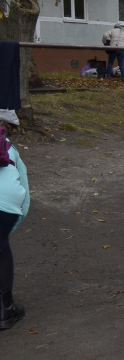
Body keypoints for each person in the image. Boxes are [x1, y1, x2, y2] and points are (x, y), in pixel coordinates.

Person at [0, 126, 28, 330]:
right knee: (1, 248)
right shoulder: (10, 148)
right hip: (8, 204)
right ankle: (5, 308)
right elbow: (24, 195)